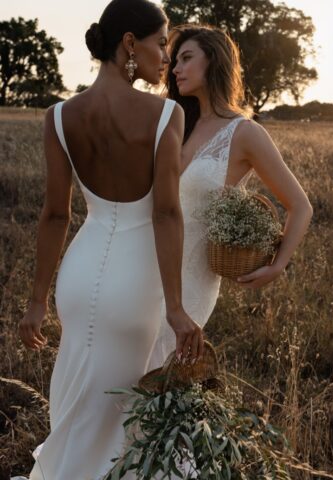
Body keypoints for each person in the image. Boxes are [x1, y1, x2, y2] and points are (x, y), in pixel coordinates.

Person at [18, 2, 203, 479]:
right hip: (134, 281)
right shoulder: (164, 115)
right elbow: (165, 212)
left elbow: (56, 214)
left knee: (79, 392)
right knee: (122, 410)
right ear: (128, 44)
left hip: (78, 276)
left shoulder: (59, 116)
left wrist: (37, 301)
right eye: (160, 42)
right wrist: (177, 309)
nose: (165, 55)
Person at [147, 25, 313, 370]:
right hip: (142, 264)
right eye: (175, 60)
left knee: (152, 377)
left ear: (215, 61)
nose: (175, 68)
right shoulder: (177, 122)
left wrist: (278, 264)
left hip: (191, 279)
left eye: (187, 58)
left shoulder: (245, 133)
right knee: (121, 375)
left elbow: (300, 206)